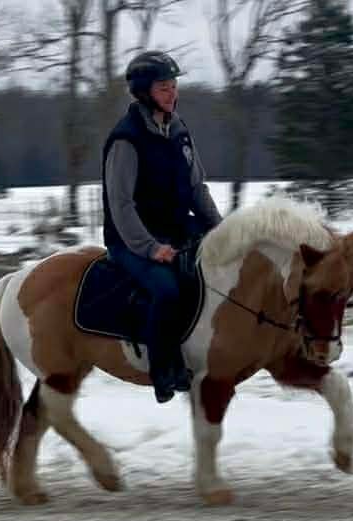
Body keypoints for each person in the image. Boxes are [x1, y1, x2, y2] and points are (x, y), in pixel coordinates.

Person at [102, 51, 222, 404]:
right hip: (132, 241)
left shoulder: (180, 131)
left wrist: (220, 230)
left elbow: (198, 187)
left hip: (177, 230)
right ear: (143, 92)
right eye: (163, 88)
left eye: (173, 86)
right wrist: (151, 248)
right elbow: (121, 205)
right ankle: (162, 368)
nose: (172, 93)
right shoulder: (126, 140)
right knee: (166, 290)